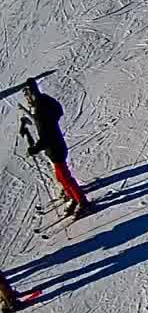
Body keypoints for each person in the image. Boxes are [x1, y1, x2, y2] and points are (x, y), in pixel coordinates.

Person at [21, 80, 92, 217]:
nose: (27, 99)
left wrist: (35, 148)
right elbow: (59, 110)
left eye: (27, 95)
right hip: (57, 145)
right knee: (61, 176)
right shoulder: (44, 101)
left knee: (65, 177)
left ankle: (83, 202)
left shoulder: (40, 112)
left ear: (32, 94)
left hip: (54, 148)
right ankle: (73, 196)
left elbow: (46, 136)